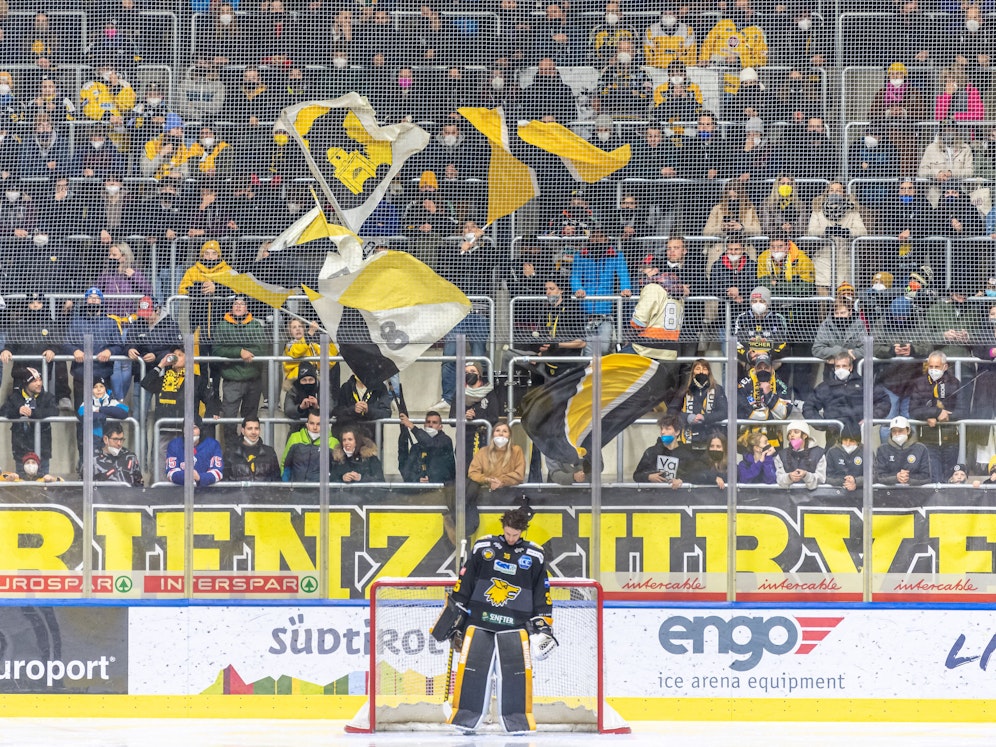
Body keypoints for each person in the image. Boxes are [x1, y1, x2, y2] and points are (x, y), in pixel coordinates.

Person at [432, 505, 554, 734]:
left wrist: (543, 628)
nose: (511, 538)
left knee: (516, 678)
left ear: (522, 531)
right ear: (503, 527)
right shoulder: (483, 547)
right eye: (508, 533)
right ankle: (464, 720)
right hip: (479, 623)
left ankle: (517, 724)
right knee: (471, 674)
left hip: (516, 627)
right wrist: (455, 619)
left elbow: (542, 594)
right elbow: (464, 584)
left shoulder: (535, 555)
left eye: (515, 534)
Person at [804, 352, 890, 447]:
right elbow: (809, 406)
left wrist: (870, 419)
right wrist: (823, 425)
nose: (841, 369)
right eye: (838, 366)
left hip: (858, 433)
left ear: (851, 367)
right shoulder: (825, 387)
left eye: (844, 366)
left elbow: (883, 401)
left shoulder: (863, 384)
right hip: (834, 436)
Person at [213, 296, 268, 445]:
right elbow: (217, 350)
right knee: (229, 420)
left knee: (250, 421)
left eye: (242, 304)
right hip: (232, 381)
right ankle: (232, 453)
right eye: (235, 303)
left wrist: (234, 350)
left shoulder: (255, 325)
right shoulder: (222, 326)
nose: (238, 306)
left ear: (247, 308)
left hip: (253, 380)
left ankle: (248, 450)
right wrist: (239, 352)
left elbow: (261, 350)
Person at [910, 350, 962, 482]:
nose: (933, 370)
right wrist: (935, 413)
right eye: (931, 366)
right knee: (934, 479)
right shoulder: (919, 383)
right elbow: (913, 410)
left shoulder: (954, 383)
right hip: (928, 440)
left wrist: (947, 417)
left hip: (951, 439)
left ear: (945, 366)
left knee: (949, 479)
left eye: (937, 367)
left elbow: (963, 411)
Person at [465, 421, 525, 534]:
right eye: (497, 431)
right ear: (493, 434)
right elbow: (473, 473)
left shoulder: (517, 450)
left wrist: (501, 481)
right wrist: (487, 480)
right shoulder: (483, 451)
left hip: (509, 498)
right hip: (484, 499)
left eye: (504, 431)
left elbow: (519, 474)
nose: (501, 434)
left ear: (509, 435)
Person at [1, 365, 57, 477]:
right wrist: (18, 411)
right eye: (34, 381)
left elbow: (54, 411)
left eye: (40, 380)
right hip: (21, 449)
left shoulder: (46, 397)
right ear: (26, 383)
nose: (39, 383)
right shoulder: (15, 397)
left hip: (42, 449)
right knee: (21, 481)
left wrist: (34, 413)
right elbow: (3, 411)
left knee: (43, 481)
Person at [667, 359, 729, 451]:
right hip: (687, 439)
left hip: (710, 440)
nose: (701, 372)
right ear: (693, 372)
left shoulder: (717, 389)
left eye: (704, 369)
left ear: (709, 372)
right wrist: (688, 417)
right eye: (697, 369)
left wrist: (705, 417)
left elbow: (724, 412)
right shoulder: (684, 389)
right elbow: (671, 411)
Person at [633, 413, 702, 487]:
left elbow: (696, 476)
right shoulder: (652, 452)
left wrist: (682, 481)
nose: (663, 432)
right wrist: (648, 477)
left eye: (667, 429)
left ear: (677, 432)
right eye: (661, 429)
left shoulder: (685, 455)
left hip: (677, 493)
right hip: (655, 492)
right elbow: (636, 476)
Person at [281, 410, 340, 483]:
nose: (315, 427)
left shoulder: (333, 442)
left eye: (319, 424)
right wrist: (285, 485)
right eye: (312, 423)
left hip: (320, 489)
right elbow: (285, 464)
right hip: (296, 488)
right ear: (307, 424)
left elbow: (337, 469)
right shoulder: (295, 437)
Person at [398, 411, 456, 484]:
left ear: (440, 426)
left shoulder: (445, 441)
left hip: (441, 488)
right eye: (428, 422)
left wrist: (412, 427)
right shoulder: (416, 447)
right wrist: (417, 479)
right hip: (419, 489)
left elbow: (431, 444)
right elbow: (406, 470)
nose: (430, 425)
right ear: (424, 425)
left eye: (434, 422)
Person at [874, 415, 932, 486]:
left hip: (915, 491)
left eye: (900, 431)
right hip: (889, 491)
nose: (897, 434)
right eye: (894, 431)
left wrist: (908, 478)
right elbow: (879, 476)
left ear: (908, 431)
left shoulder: (921, 449)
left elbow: (926, 476)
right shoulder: (882, 450)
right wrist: (896, 477)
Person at [165, 417, 224, 487]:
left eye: (194, 428)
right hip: (181, 490)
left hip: (207, 490)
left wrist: (199, 477)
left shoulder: (213, 444)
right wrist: (186, 476)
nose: (191, 431)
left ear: (200, 429)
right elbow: (170, 473)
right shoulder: (174, 445)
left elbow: (218, 472)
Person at [224, 415, 280, 483]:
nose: (253, 432)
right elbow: (225, 481)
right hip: (238, 490)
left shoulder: (269, 452)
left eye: (256, 428)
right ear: (243, 431)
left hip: (264, 490)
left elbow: (277, 481)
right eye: (250, 428)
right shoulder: (230, 453)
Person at [774, 421, 826, 489]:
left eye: (796, 432)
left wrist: (806, 475)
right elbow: (779, 479)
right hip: (788, 494)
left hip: (814, 494)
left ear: (805, 435)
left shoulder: (818, 453)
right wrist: (789, 477)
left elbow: (821, 479)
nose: (792, 435)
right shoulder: (781, 454)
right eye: (789, 433)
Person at [90, 421, 143, 486]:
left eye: (121, 439)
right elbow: (84, 487)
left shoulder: (130, 457)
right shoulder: (92, 459)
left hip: (127, 492)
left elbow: (139, 485)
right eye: (115, 439)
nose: (119, 443)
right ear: (105, 439)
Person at [825, 425, 864, 492]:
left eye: (851, 441)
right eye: (845, 440)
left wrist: (856, 481)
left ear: (858, 441)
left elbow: (873, 476)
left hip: (861, 492)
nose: (848, 444)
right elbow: (826, 476)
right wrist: (845, 481)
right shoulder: (832, 452)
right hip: (835, 492)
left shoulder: (866, 452)